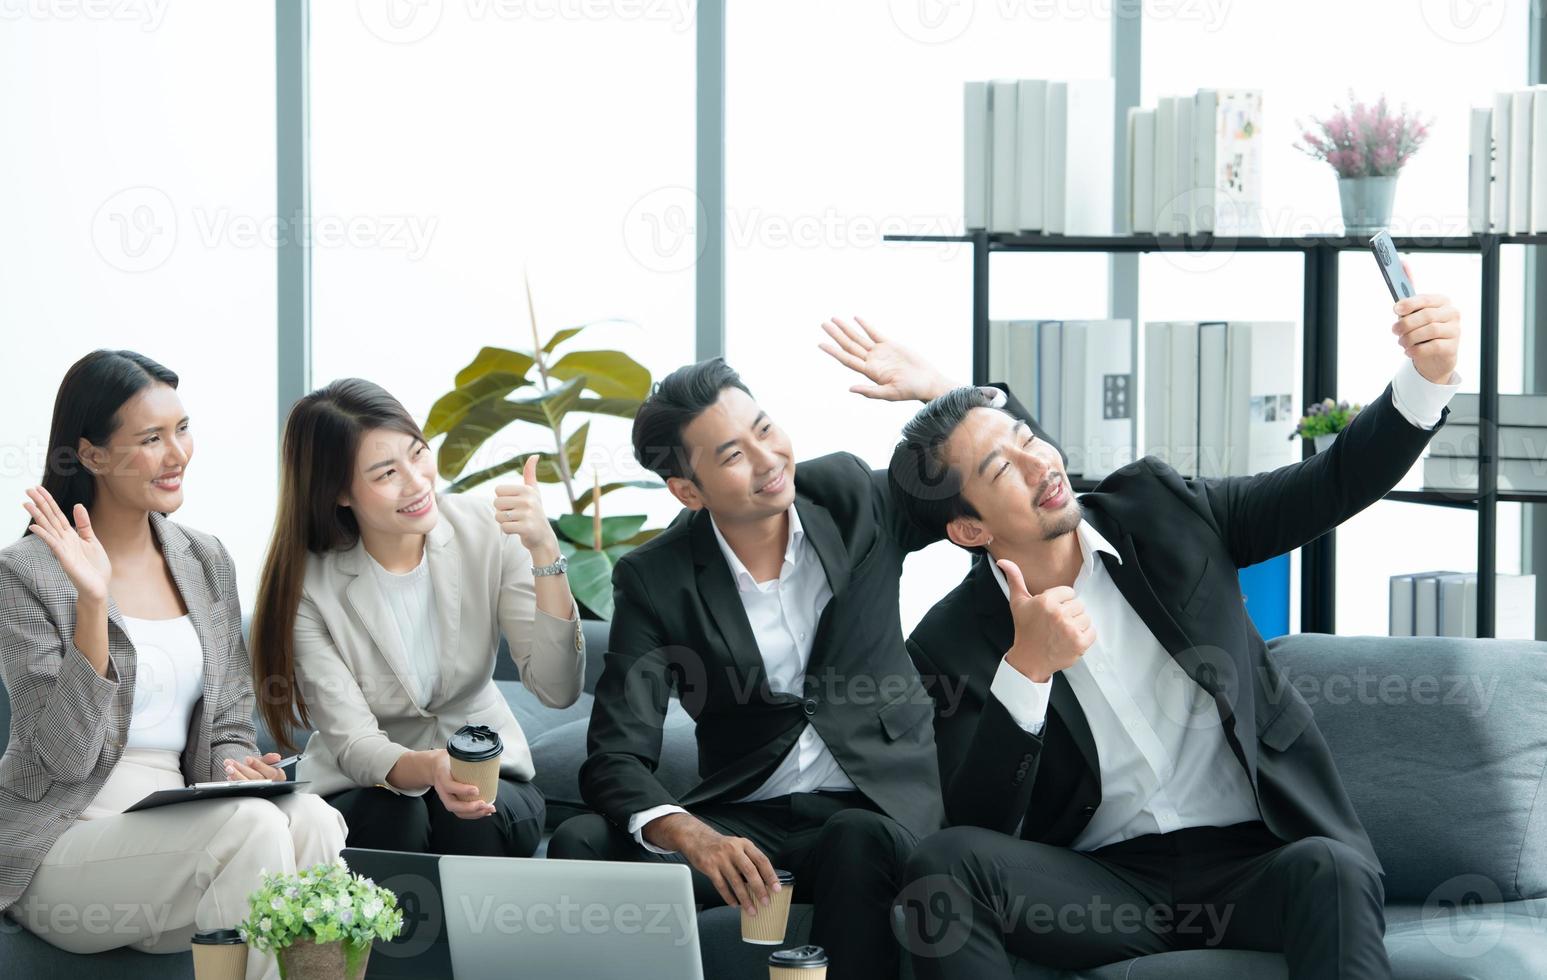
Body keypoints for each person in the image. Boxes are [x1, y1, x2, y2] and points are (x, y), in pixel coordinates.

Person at [890, 286, 1463, 978]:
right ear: (970, 528)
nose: (1040, 463)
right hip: (1106, 888)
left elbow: (1329, 482)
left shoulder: (1164, 513)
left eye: (1027, 439)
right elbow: (977, 823)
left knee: (1332, 869)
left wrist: (1423, 383)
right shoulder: (949, 640)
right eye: (1000, 469)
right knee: (943, 869)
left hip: (1256, 861)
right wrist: (1026, 671)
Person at [547, 319, 1047, 980]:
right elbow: (616, 751)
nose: (766, 460)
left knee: (854, 839)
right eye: (730, 455)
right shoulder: (657, 577)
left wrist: (942, 391)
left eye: (763, 428)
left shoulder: (849, 497)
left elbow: (1022, 486)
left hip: (879, 811)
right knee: (581, 840)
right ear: (688, 491)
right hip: (748, 819)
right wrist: (690, 833)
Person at [0, 350, 346, 980]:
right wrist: (92, 602)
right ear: (94, 455)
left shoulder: (206, 559)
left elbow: (227, 727)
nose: (177, 454)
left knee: (312, 818)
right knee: (250, 829)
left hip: (176, 832)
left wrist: (237, 769)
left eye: (181, 429)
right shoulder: (26, 574)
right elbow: (65, 755)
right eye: (151, 439)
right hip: (62, 847)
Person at [250, 378, 583, 858]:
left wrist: (544, 552)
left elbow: (558, 689)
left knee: (470, 814)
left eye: (418, 453)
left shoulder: (489, 533)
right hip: (364, 783)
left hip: (488, 773)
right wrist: (431, 768)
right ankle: (385, 934)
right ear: (340, 493)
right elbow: (355, 741)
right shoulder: (308, 586)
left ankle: (470, 933)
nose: (417, 481)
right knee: (395, 815)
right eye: (386, 473)